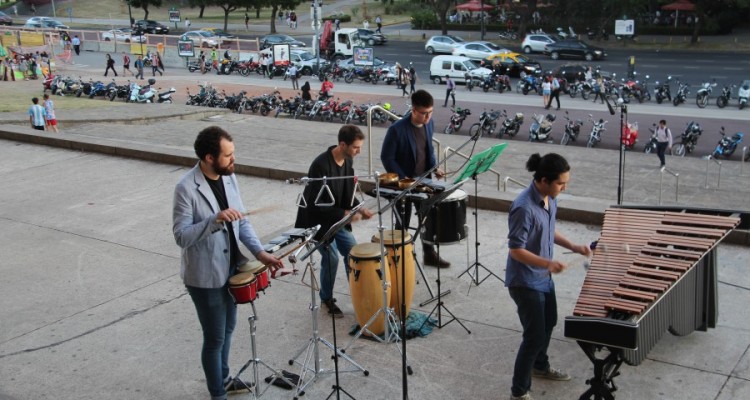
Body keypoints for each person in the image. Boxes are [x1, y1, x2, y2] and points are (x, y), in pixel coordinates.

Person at [173, 126, 284, 400]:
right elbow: (181, 236)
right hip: (205, 277)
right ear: (210, 158)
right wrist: (214, 220)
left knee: (229, 328)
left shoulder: (230, 178)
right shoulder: (186, 188)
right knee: (215, 339)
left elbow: (242, 221)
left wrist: (260, 254)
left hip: (233, 269)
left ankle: (223, 378)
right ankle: (217, 394)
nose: (233, 159)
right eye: (228, 155)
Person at [506, 152, 591, 400]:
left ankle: (540, 366)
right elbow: (516, 250)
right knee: (533, 337)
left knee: (550, 321)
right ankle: (519, 392)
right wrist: (548, 262)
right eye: (560, 183)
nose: (564, 188)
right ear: (543, 180)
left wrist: (574, 246)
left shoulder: (549, 198)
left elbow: (549, 230)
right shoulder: (523, 207)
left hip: (543, 277)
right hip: (524, 281)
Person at [295, 125, 374, 317]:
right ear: (342, 144)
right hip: (317, 223)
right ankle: (326, 298)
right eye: (356, 147)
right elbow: (316, 205)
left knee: (353, 253)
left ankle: (357, 294)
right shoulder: (320, 166)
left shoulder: (347, 163)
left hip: (337, 220)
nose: (359, 151)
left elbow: (347, 195)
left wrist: (359, 208)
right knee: (330, 258)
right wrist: (346, 213)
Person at [380, 90, 450, 268]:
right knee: (402, 220)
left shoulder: (429, 124)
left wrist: (435, 168)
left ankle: (429, 254)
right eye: (424, 113)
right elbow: (387, 158)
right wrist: (404, 179)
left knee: (427, 219)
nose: (428, 117)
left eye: (430, 112)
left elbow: (429, 150)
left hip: (424, 179)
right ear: (414, 110)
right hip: (403, 183)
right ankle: (399, 257)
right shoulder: (397, 130)